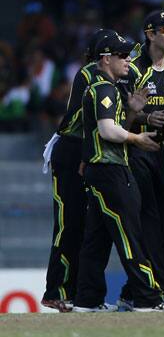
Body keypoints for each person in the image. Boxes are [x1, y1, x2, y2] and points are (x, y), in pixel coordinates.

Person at [74, 34, 164, 312]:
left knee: (96, 238)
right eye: (122, 56)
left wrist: (133, 111)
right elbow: (107, 131)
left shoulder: (104, 88)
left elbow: (109, 128)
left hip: (99, 170)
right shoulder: (104, 89)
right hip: (110, 171)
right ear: (106, 59)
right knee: (130, 234)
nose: (128, 60)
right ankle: (146, 298)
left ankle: (87, 301)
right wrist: (138, 139)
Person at [116, 11, 164, 311]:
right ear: (150, 35)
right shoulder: (133, 69)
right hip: (139, 153)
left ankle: (137, 291)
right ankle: (162, 290)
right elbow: (119, 121)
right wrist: (141, 114)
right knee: (149, 222)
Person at [41, 28, 116, 313]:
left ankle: (82, 295)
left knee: (86, 227)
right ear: (103, 56)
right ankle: (56, 290)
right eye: (119, 54)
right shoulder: (90, 74)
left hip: (85, 151)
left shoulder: (100, 75)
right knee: (68, 224)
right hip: (72, 151)